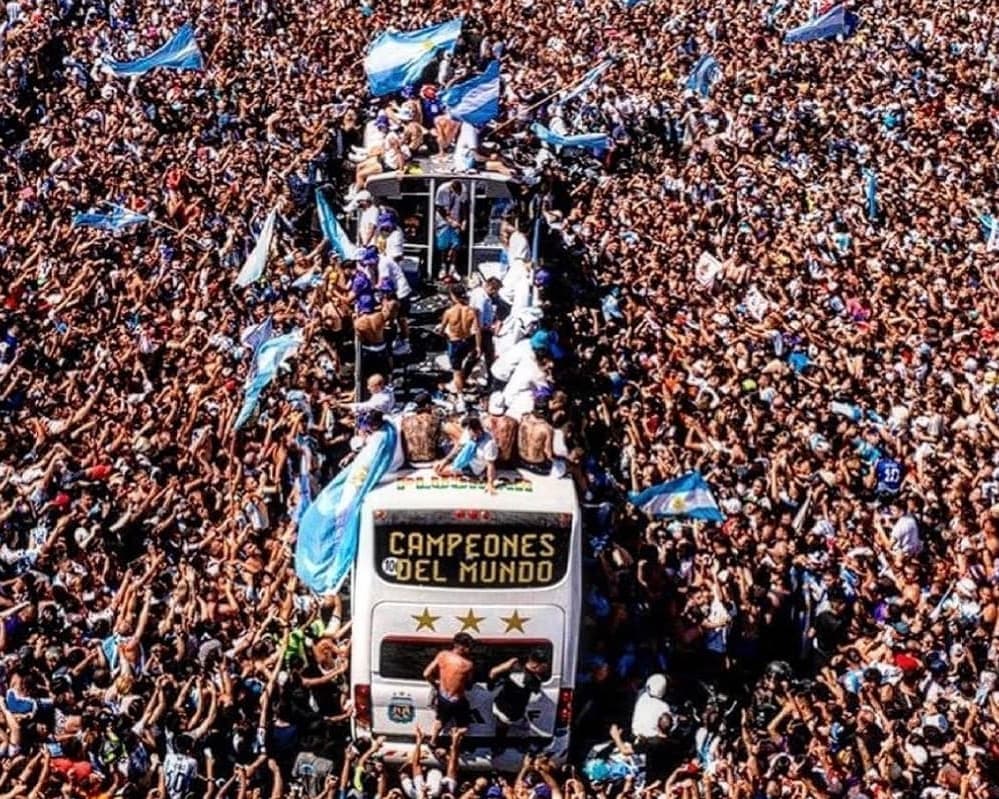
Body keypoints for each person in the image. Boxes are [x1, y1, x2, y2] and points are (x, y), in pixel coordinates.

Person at [488, 649, 550, 750]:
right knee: (525, 729)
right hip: (512, 715)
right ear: (535, 665)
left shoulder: (514, 663)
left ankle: (497, 747)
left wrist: (490, 684)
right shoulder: (532, 681)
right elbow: (537, 695)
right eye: (543, 666)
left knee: (502, 727)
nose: (545, 668)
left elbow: (493, 672)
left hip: (498, 704)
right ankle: (522, 747)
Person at [422, 633, 476, 747]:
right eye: (467, 646)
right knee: (463, 726)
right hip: (457, 699)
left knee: (440, 720)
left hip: (443, 696)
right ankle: (456, 745)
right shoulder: (468, 664)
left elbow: (426, 674)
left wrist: (435, 684)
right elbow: (469, 685)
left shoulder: (442, 655)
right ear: (459, 645)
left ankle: (432, 741)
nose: (469, 649)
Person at [434, 416, 498, 494]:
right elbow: (459, 448)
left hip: (473, 468)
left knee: (439, 471)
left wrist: (490, 483)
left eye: (473, 435)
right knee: (437, 464)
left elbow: (490, 464)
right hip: (467, 458)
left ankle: (472, 475)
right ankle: (458, 469)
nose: (470, 436)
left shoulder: (489, 443)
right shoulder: (469, 431)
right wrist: (445, 460)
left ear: (479, 431)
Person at [437, 284, 480, 399]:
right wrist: (478, 346)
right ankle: (464, 382)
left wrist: (445, 334)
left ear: (453, 296)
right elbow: (477, 330)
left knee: (456, 371)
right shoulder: (472, 311)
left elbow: (441, 331)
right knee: (465, 364)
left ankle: (460, 396)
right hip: (468, 341)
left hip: (455, 342)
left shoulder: (449, 312)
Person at [400, 391, 442, 465]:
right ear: (427, 405)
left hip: (412, 462)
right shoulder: (435, 420)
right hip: (431, 461)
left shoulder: (405, 421)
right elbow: (439, 441)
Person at [434, 180, 466, 275]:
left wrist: (464, 220)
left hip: (456, 219)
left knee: (455, 244)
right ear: (451, 187)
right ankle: (443, 267)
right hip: (442, 221)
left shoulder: (463, 189)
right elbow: (439, 207)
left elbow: (463, 205)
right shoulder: (441, 189)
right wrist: (450, 221)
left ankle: (453, 268)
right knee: (443, 245)